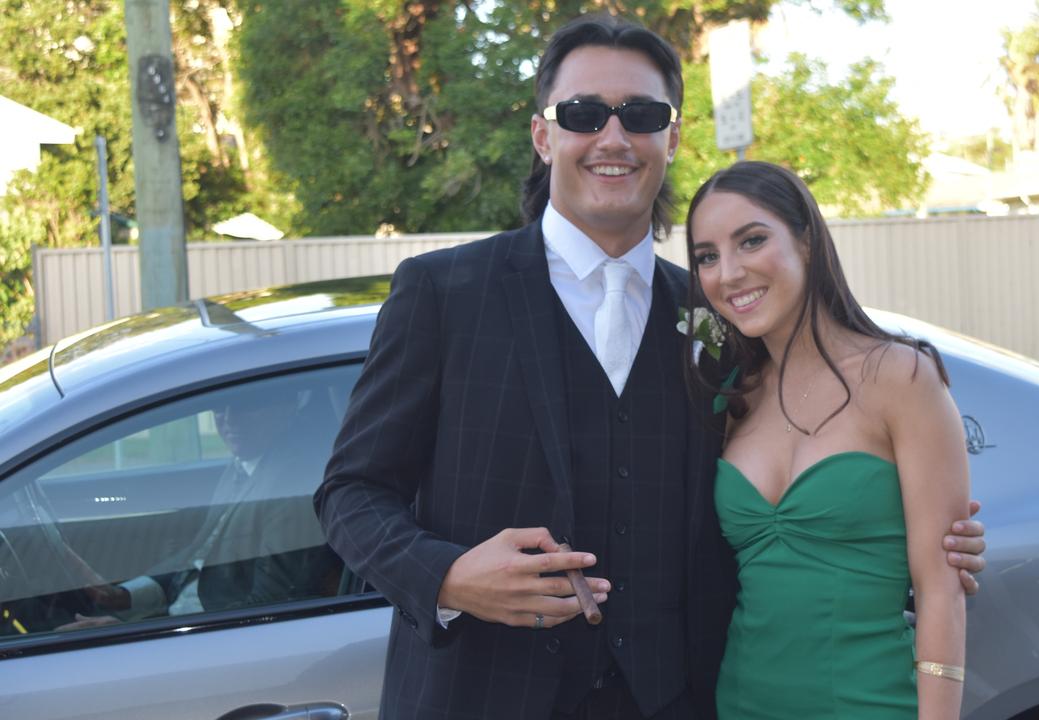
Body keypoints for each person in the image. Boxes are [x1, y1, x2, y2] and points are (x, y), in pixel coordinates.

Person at [313, 14, 985, 720]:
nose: (612, 137)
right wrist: (447, 576)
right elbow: (350, 492)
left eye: (640, 114)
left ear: (672, 137)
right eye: (582, 114)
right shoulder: (442, 294)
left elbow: (819, 470)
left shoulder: (714, 324)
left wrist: (930, 542)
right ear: (544, 137)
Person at [684, 161, 969, 719]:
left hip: (869, 702)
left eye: (752, 240)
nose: (730, 272)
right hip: (742, 704)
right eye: (707, 257)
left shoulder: (901, 378)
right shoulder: (729, 399)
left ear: (808, 241)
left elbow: (942, 592)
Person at [59, 384, 339, 629]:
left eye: (244, 407)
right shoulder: (245, 463)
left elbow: (270, 605)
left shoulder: (291, 486)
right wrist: (124, 596)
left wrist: (132, 630)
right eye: (219, 408)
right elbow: (199, 553)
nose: (229, 420)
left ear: (286, 408)